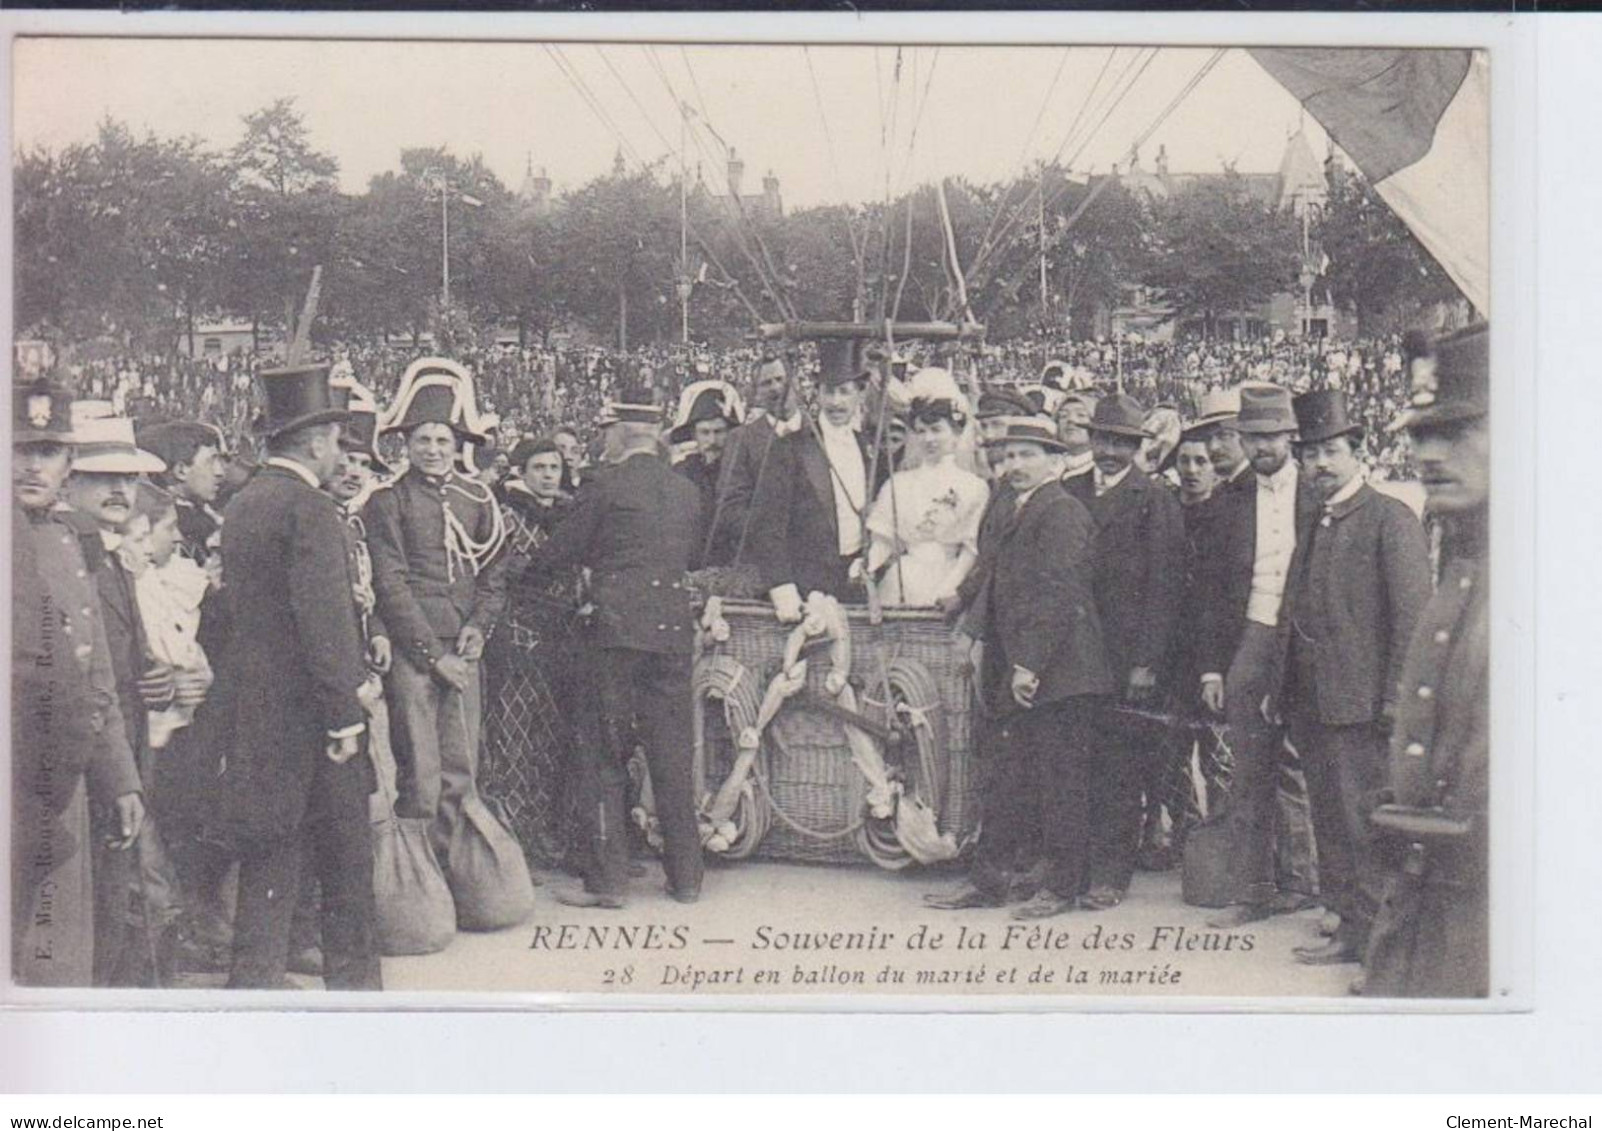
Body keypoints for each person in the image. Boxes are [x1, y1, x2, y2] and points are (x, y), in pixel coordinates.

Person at [206, 363, 380, 990]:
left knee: (270, 855)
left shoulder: (245, 501)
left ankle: (251, 991)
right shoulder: (310, 509)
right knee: (346, 867)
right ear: (313, 442)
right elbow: (325, 624)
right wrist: (344, 715)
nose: (342, 452)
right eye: (337, 439)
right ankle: (358, 1001)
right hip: (316, 718)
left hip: (261, 712)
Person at [364, 361, 532, 932]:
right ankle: (423, 895)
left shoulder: (477, 499)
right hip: (418, 658)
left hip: (465, 652)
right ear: (404, 445)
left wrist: (478, 628)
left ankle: (467, 885)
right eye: (422, 440)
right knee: (423, 774)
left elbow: (495, 574)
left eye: (442, 440)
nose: (433, 449)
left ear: (459, 445)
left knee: (463, 770)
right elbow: (390, 584)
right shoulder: (385, 502)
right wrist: (434, 657)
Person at [518, 398, 705, 908]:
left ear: (623, 434)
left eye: (607, 433)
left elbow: (558, 554)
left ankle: (609, 882)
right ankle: (687, 879)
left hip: (615, 635)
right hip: (671, 631)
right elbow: (693, 556)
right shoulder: (685, 491)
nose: (603, 442)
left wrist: (529, 573)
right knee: (671, 754)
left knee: (602, 754)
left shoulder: (606, 487)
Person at [927, 417, 1114, 919]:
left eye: (1026, 455)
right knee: (1009, 778)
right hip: (1023, 666)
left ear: (1054, 461)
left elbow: (1058, 594)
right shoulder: (1014, 507)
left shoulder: (1063, 512)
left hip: (1062, 670)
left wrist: (1028, 664)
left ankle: (1063, 886)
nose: (1013, 466)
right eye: (1007, 457)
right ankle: (990, 881)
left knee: (1061, 783)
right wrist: (970, 625)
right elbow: (992, 574)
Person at [1280, 389, 1432, 967]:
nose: (1318, 464)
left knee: (1365, 825)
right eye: (1310, 454)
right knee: (1332, 821)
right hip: (1318, 704)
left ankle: (1380, 945)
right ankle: (1349, 927)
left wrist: (1395, 702)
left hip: (1364, 708)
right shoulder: (1318, 519)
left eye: (1330, 452)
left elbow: (1413, 621)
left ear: (1358, 450)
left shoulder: (1389, 518)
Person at [1363, 324, 1490, 997]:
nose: (1429, 452)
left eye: (1459, 430)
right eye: (1420, 433)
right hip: (1426, 917)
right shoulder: (1464, 560)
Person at [12, 381, 146, 987]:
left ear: (68, 465)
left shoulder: (68, 542)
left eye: (46, 452)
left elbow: (97, 678)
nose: (30, 465)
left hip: (62, 782)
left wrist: (119, 778)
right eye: (18, 449)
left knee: (60, 962)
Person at [62, 414, 187, 985]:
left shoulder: (109, 556)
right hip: (80, 769)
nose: (120, 491)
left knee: (116, 905)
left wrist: (151, 677)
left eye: (130, 479)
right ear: (69, 481)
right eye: (102, 477)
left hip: (122, 757)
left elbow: (119, 661)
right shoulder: (66, 557)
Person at [1197, 384, 1322, 928]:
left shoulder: (1318, 491)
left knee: (1306, 763)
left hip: (1307, 638)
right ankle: (1254, 890)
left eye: (1271, 436)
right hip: (1250, 635)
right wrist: (1211, 665)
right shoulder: (1228, 499)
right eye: (1252, 437)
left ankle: (1305, 883)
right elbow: (1213, 591)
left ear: (1291, 436)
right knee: (1248, 767)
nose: (1261, 446)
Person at [1082, 393, 1187, 909]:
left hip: (1126, 656)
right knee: (1076, 758)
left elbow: (1165, 588)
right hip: (1076, 653)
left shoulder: (1155, 499)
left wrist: (1147, 660)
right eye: (1102, 440)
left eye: (1121, 443)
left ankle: (1111, 872)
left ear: (1138, 448)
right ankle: (1074, 863)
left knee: (1120, 767)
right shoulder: (1070, 491)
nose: (1109, 452)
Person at [483, 435, 585, 868]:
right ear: (522, 473)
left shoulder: (572, 515)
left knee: (550, 736)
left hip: (560, 636)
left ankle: (546, 835)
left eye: (554, 468)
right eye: (539, 468)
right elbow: (494, 576)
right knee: (513, 736)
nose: (547, 476)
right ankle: (512, 838)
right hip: (518, 634)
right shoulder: (505, 514)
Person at [747, 339, 884, 619]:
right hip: (806, 588)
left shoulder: (868, 447)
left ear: (859, 394)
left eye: (844, 392)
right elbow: (768, 526)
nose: (836, 402)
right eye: (829, 392)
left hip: (857, 584)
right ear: (817, 394)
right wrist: (783, 589)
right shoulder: (791, 447)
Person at [865, 373, 989, 608]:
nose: (928, 439)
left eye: (936, 430)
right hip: (903, 579)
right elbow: (884, 540)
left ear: (955, 433)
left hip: (951, 579)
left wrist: (950, 588)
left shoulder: (974, 487)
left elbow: (970, 550)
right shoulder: (898, 484)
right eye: (921, 431)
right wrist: (868, 565)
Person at [712, 355, 799, 568]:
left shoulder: (819, 433)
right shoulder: (742, 439)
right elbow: (729, 506)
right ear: (756, 393)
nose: (776, 388)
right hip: (765, 562)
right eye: (766, 383)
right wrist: (769, 537)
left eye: (780, 379)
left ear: (795, 382)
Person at [667, 379, 743, 565]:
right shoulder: (680, 474)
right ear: (694, 435)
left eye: (719, 432)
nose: (712, 440)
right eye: (705, 432)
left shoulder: (743, 472)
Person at [1055, 392, 1097, 505]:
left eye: (1081, 415)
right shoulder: (1049, 468)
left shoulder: (1100, 471)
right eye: (1063, 416)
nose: (1070, 420)